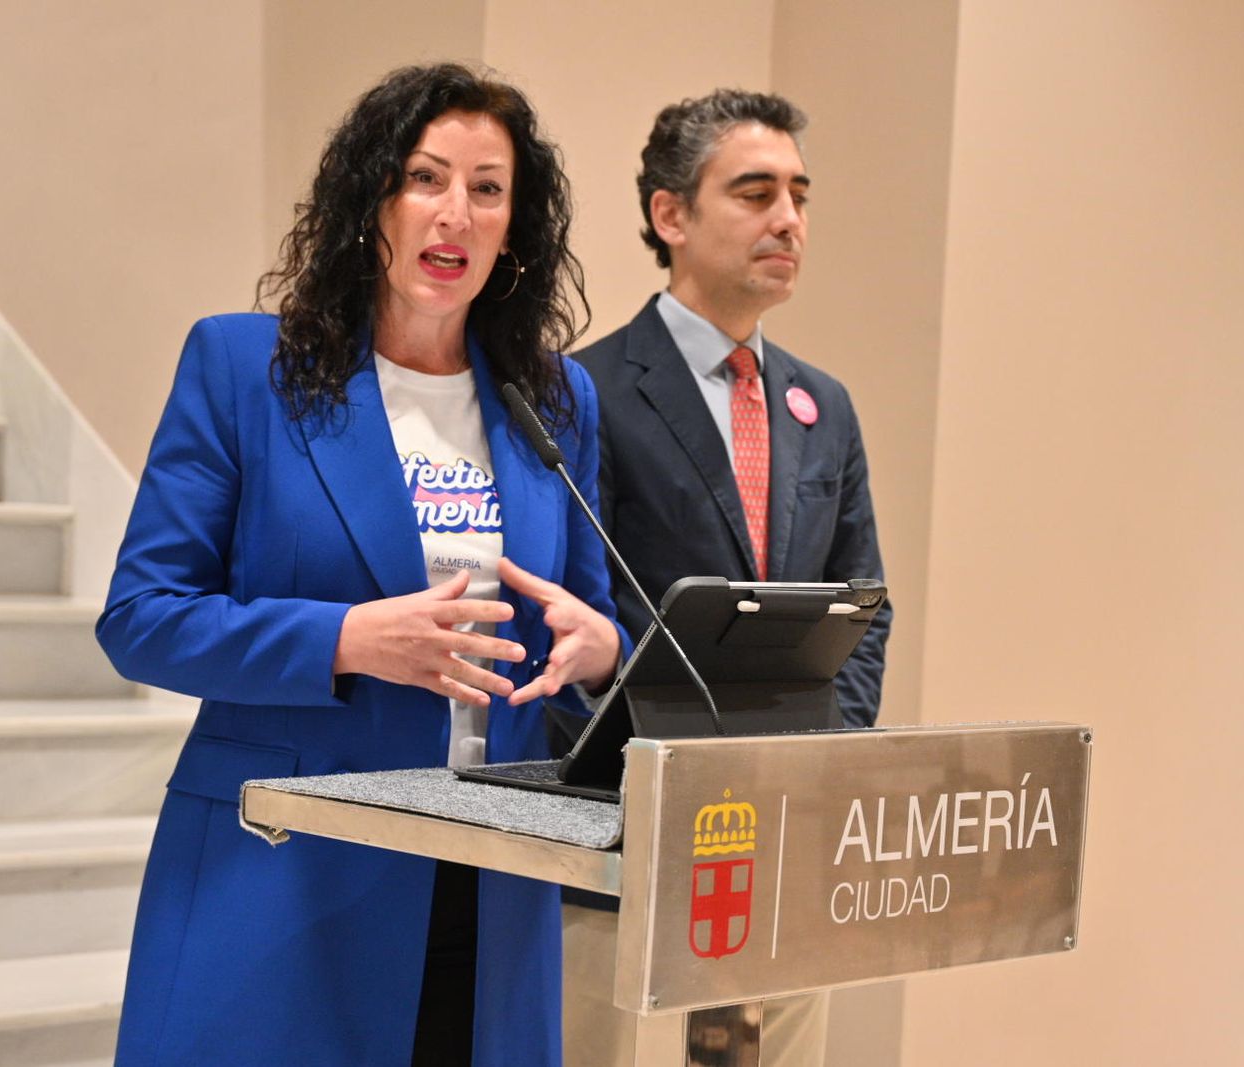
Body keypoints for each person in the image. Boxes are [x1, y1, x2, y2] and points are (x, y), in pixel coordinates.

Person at [96, 63, 623, 1067]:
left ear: (516, 224)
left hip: (491, 878)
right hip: (285, 875)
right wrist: (344, 637)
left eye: (486, 187)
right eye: (425, 178)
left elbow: (590, 617)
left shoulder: (553, 402)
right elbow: (143, 615)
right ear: (371, 199)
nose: (453, 213)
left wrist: (599, 652)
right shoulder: (244, 368)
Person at [568, 90, 892, 1065]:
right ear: (671, 214)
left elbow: (863, 606)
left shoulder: (819, 404)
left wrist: (814, 760)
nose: (787, 220)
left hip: (784, 834)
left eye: (797, 194)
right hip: (629, 833)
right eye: (754, 193)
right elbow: (578, 604)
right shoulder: (585, 389)